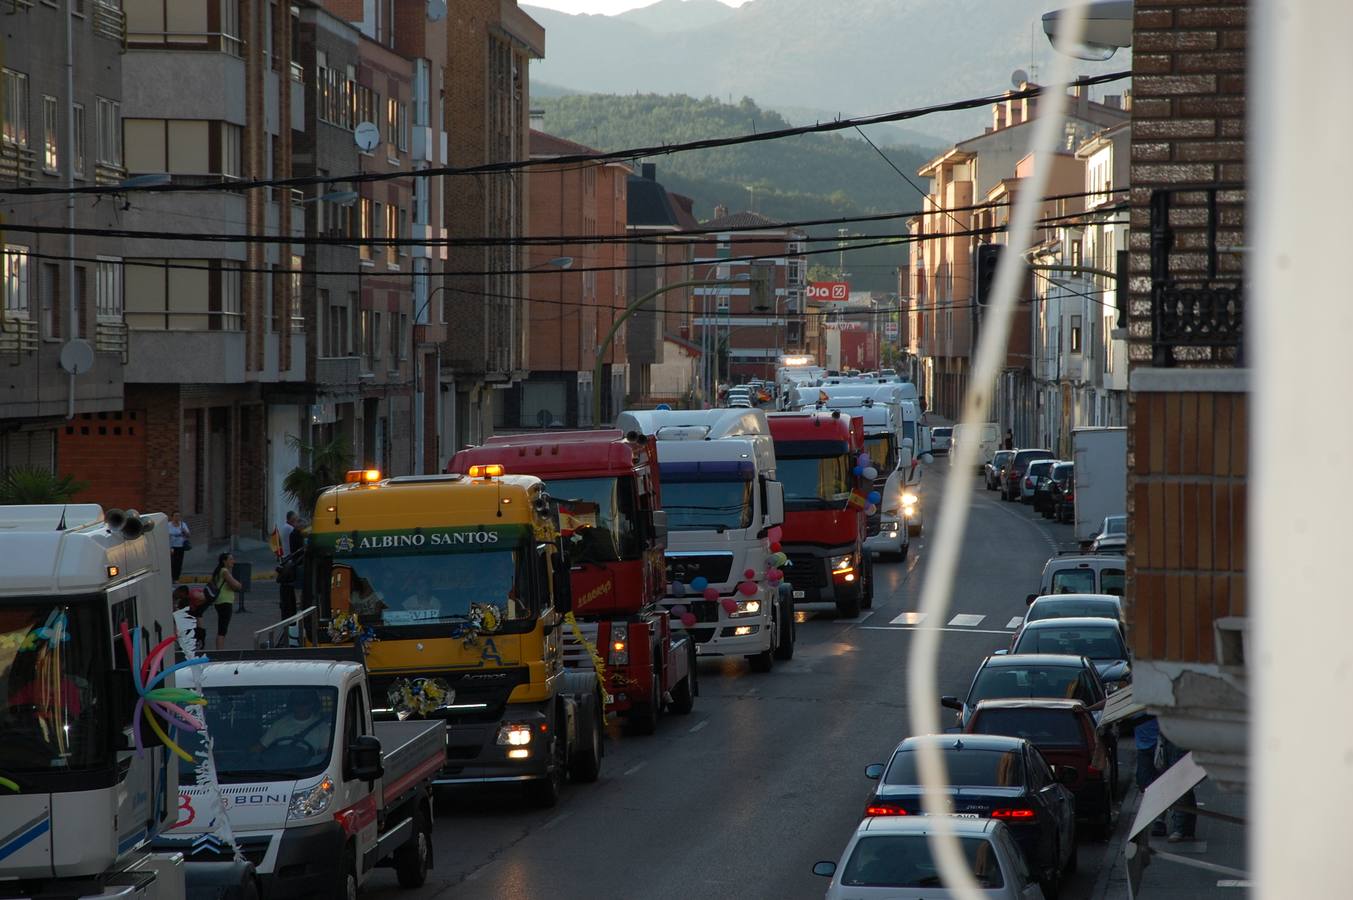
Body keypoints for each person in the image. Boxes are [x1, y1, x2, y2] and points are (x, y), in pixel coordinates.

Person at [256, 691, 331, 757]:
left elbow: (325, 756)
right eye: (296, 702)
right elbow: (259, 747)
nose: (300, 706)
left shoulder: (322, 728)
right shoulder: (279, 724)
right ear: (292, 704)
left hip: (310, 771)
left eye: (304, 702)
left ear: (313, 704)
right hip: (279, 768)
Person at [1134, 716, 1168, 837]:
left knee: (1160, 783)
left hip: (1159, 743)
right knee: (1143, 782)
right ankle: (1154, 814)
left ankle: (1159, 821)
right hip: (1143, 746)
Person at [208, 552, 243, 650]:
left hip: (219, 602)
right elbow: (236, 585)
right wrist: (239, 584)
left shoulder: (219, 571)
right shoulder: (224, 571)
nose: (233, 561)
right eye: (231, 559)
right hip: (225, 602)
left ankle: (220, 650)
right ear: (224, 561)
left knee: (222, 627)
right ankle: (220, 651)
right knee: (222, 629)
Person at [173, 585, 208, 651]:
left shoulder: (193, 595)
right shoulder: (184, 598)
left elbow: (203, 599)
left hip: (197, 607)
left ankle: (197, 641)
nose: (179, 597)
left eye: (180, 596)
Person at [167, 512, 191, 582]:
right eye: (175, 516)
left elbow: (188, 535)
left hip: (181, 546)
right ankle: (171, 577)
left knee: (179, 563)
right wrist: (169, 547)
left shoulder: (183, 525)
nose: (177, 517)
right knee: (172, 562)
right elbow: (166, 536)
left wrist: (184, 531)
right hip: (172, 546)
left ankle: (176, 578)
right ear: (172, 517)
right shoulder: (168, 525)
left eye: (178, 516)